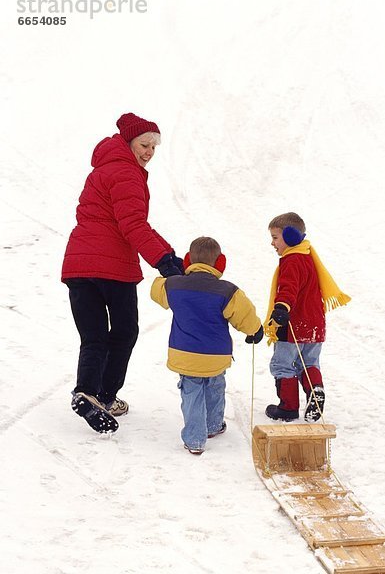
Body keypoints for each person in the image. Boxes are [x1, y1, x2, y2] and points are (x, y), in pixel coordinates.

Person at [62, 112, 183, 434]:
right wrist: (164, 261)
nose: (149, 153)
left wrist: (169, 254)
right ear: (128, 142)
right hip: (112, 267)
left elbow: (133, 223)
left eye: (154, 148)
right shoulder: (127, 174)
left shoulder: (102, 170)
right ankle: (105, 394)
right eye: (144, 145)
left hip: (77, 264)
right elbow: (132, 224)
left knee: (94, 336)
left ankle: (86, 392)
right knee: (125, 331)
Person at [150, 236, 263, 455]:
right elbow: (245, 315)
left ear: (188, 261)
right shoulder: (228, 291)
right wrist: (255, 331)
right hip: (216, 355)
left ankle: (194, 439)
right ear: (220, 263)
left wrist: (175, 273)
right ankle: (213, 425)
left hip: (185, 355)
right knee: (215, 387)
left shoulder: (173, 286)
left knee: (191, 394)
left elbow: (156, 290)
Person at [264, 212, 351, 422]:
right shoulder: (308, 257)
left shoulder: (291, 260)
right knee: (309, 362)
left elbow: (288, 288)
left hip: (292, 324)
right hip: (315, 324)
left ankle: (288, 407)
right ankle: (315, 389)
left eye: (276, 237)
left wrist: (281, 308)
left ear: (292, 236)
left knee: (282, 365)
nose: (272, 243)